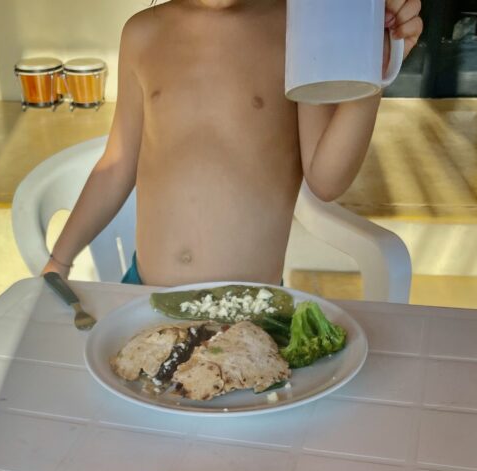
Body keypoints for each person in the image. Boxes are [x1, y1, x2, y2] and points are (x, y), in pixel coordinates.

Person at [42, 0, 422, 287]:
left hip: (251, 316)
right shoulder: (142, 33)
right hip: (143, 297)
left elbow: (326, 180)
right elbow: (117, 164)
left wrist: (372, 70)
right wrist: (59, 260)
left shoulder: (296, 28)